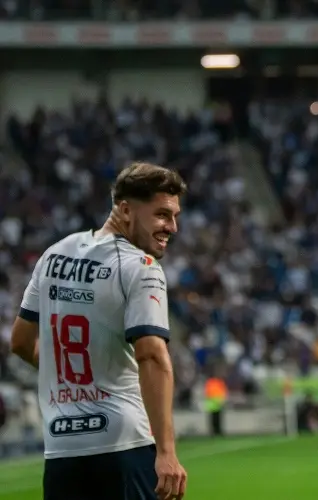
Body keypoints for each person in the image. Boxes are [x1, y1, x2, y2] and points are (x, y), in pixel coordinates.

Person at [10, 162, 189, 500]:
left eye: (175, 216)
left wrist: (75, 381)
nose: (173, 227)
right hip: (123, 445)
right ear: (124, 209)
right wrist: (166, 451)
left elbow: (19, 341)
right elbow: (151, 354)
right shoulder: (141, 267)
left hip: (62, 452)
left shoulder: (53, 255)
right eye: (163, 215)